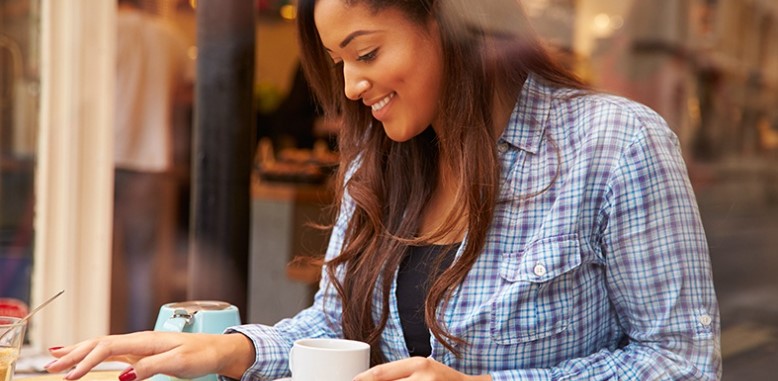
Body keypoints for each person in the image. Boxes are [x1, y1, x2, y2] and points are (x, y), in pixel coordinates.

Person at [47, 0, 721, 380]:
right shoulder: (384, 162)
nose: (350, 88)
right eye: (340, 64)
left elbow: (685, 362)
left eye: (366, 54)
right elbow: (337, 326)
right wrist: (234, 349)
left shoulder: (616, 144)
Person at [111, 0, 194, 333]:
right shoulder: (169, 35)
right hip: (151, 159)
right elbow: (188, 91)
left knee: (98, 262)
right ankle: (142, 341)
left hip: (103, 160)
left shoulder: (103, 31)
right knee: (144, 264)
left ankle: (100, 341)